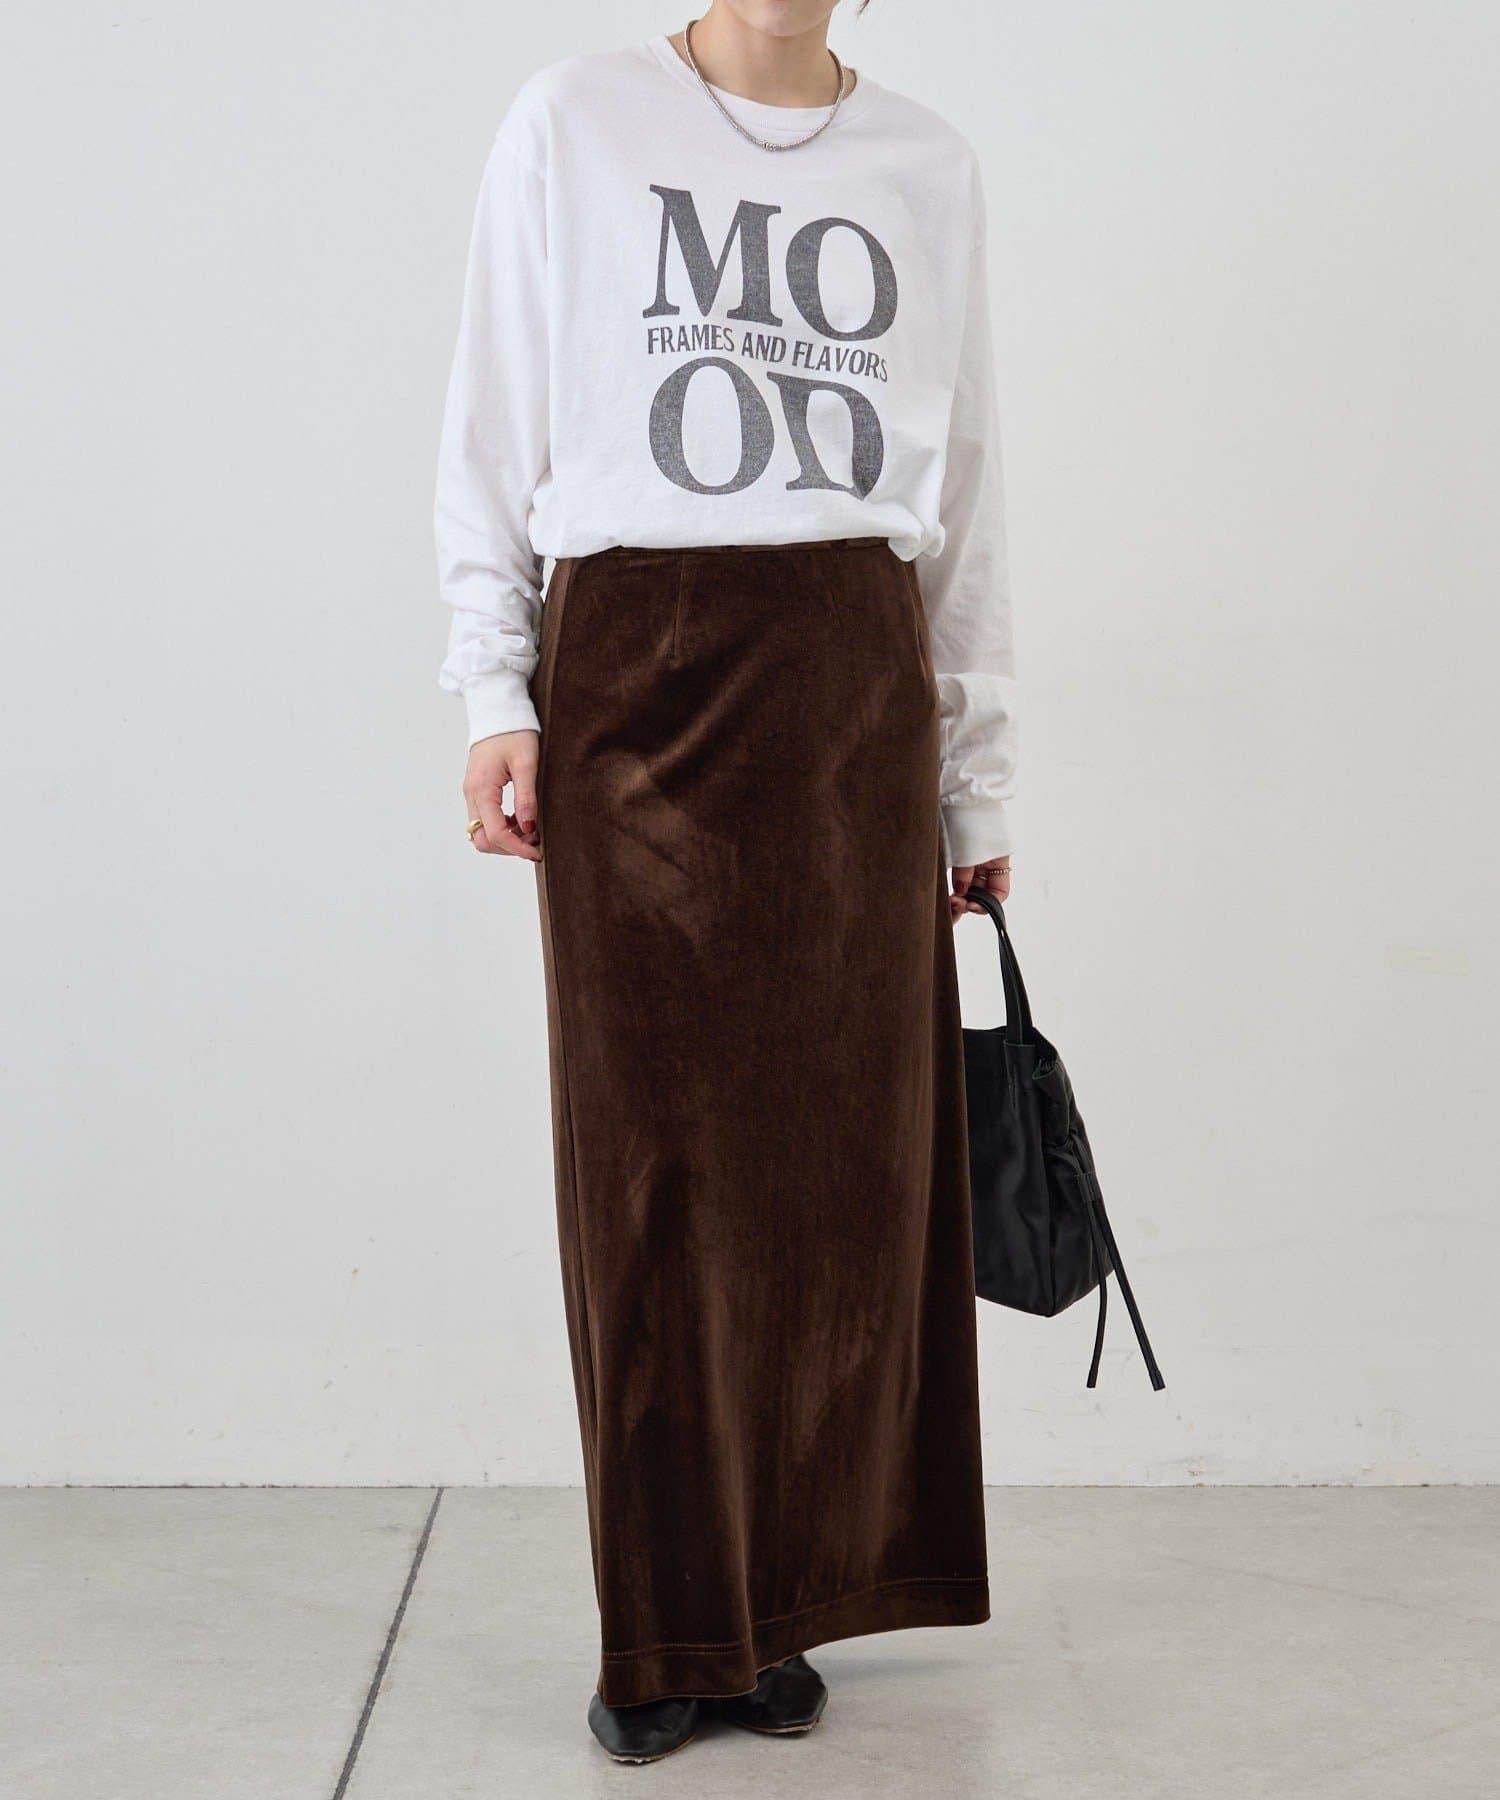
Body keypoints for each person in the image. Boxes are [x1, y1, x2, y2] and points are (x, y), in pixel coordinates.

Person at [435, 0, 1016, 1765]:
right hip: (640, 670)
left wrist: (976, 774)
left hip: (853, 686)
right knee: (653, 1175)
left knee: (840, 1177)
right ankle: (665, 1629)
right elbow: (494, 420)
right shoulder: (577, 119)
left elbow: (966, 487)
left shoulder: (925, 162)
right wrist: (493, 688)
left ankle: (779, 1611)